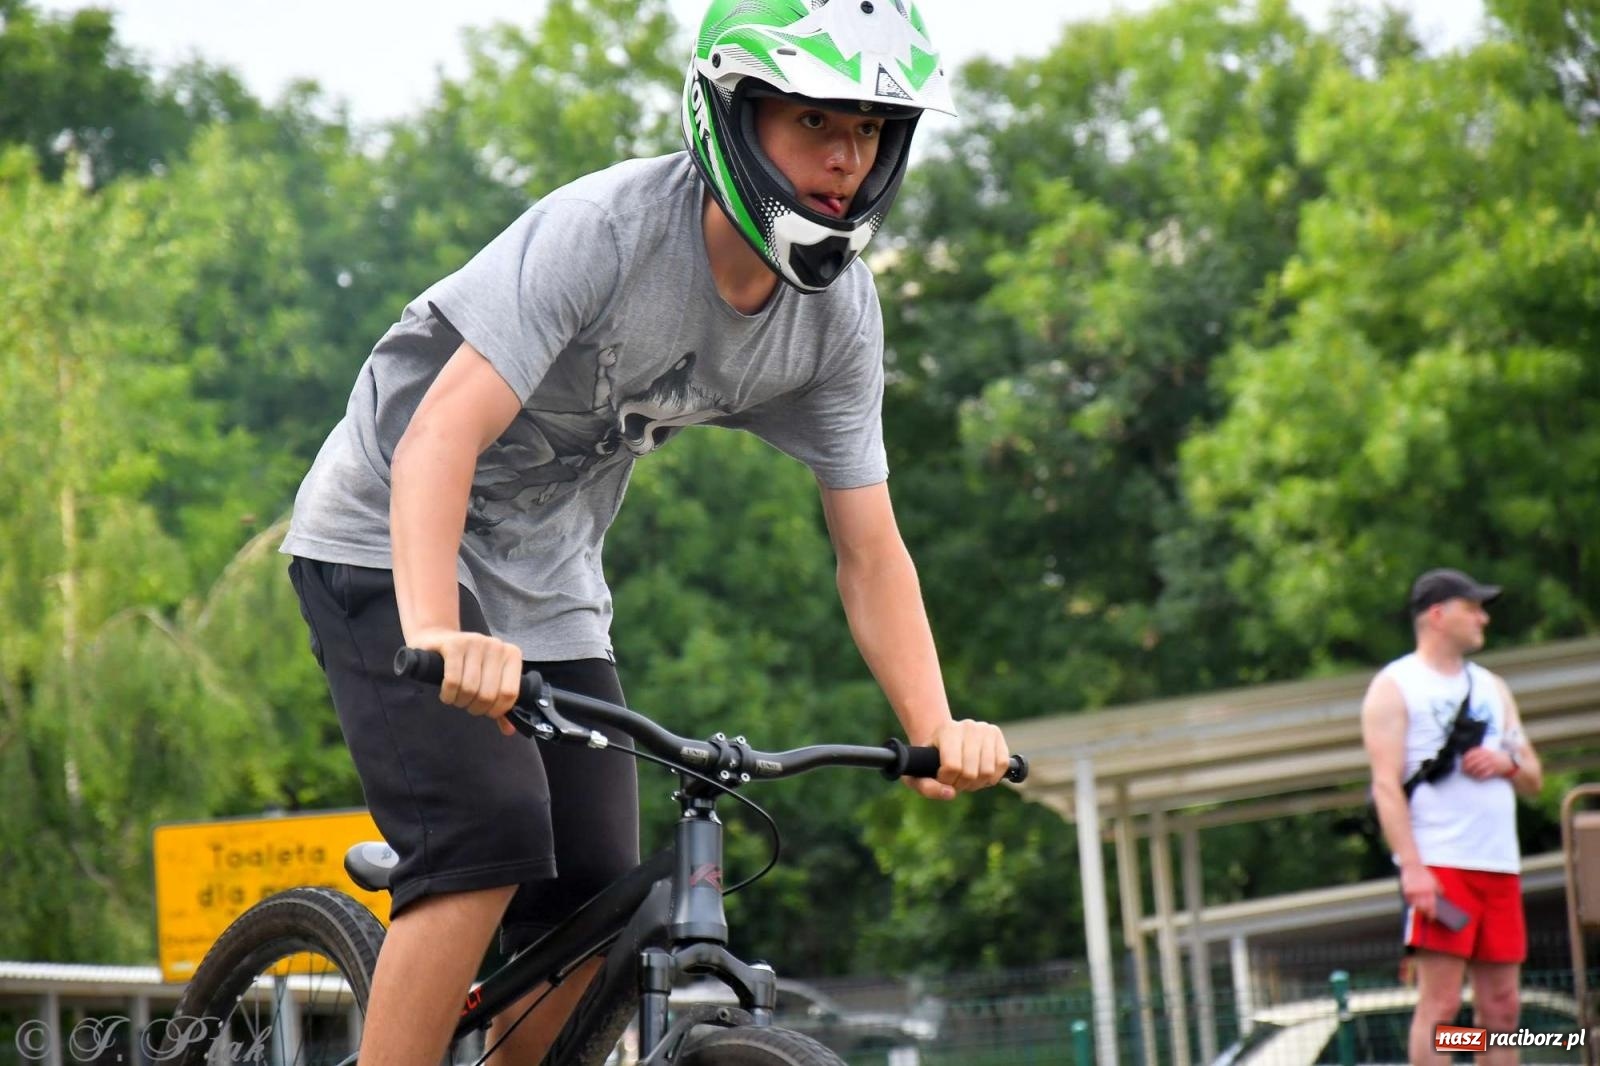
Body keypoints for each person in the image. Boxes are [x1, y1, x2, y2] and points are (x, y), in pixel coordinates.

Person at [280, 1, 1013, 1063]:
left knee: (594, 887)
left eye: (868, 128)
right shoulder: (611, 232)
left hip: (544, 579)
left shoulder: (835, 314)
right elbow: (438, 433)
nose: (846, 157)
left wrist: (935, 723)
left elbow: (869, 546)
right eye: (814, 120)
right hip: (380, 533)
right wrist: (437, 632)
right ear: (732, 110)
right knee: (488, 832)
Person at [1361, 568, 1543, 1065]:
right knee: (1441, 1005)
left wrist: (1509, 764)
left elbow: (1534, 778)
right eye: (1473, 607)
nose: (1483, 617)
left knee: (1502, 1009)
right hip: (1441, 866)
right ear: (1438, 615)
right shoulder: (1395, 685)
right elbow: (1385, 786)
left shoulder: (1492, 687)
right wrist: (1413, 868)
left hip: (1499, 865)